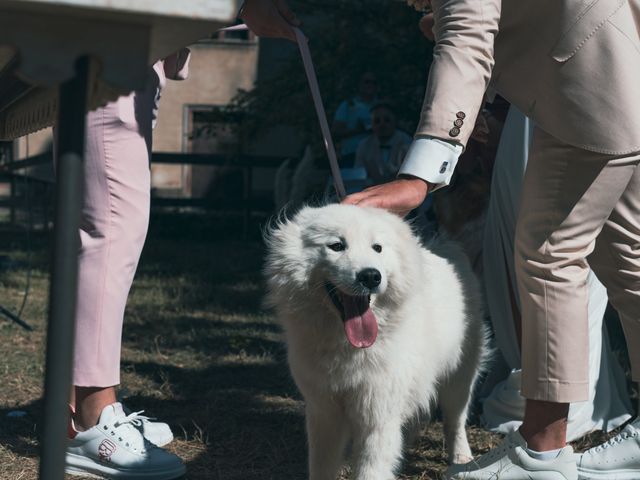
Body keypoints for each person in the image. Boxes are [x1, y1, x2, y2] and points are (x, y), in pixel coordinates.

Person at [344, 1, 640, 479]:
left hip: (589, 89)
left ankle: (542, 453)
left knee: (549, 255)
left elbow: (467, 40)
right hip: (618, 75)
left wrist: (420, 177)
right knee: (628, 255)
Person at [64, 1, 301, 478]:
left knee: (106, 228)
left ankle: (75, 412)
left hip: (127, 49)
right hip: (114, 43)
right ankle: (92, 418)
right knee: (112, 229)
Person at [354, 102, 412, 184]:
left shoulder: (407, 142)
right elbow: (358, 175)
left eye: (387, 120)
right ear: (372, 124)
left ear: (395, 121)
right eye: (377, 121)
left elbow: (410, 175)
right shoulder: (364, 145)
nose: (382, 124)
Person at [332, 71, 379, 167]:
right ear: (359, 84)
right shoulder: (348, 105)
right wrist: (357, 130)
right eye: (367, 82)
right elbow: (336, 131)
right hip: (351, 155)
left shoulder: (380, 106)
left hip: (377, 156)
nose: (370, 85)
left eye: (374, 82)